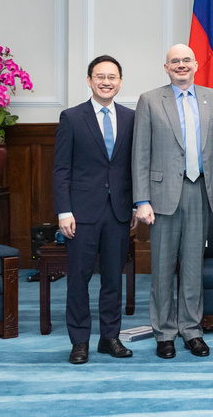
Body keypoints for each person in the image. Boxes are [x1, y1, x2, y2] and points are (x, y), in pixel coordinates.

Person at [132, 44, 213, 359]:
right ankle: (164, 333)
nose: (181, 65)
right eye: (174, 61)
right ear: (166, 67)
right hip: (161, 198)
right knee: (162, 268)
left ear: (196, 64)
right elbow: (140, 154)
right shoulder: (150, 100)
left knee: (193, 268)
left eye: (186, 60)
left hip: (201, 191)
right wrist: (142, 200)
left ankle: (191, 331)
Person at [52, 55, 137, 365]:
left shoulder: (130, 118)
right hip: (81, 213)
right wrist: (64, 211)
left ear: (120, 82)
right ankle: (79, 341)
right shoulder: (72, 117)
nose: (106, 81)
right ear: (89, 81)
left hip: (118, 212)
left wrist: (135, 207)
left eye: (112, 77)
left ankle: (110, 338)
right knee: (79, 279)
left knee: (114, 278)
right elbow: (61, 169)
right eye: (100, 76)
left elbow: (133, 167)